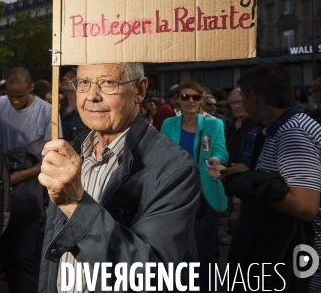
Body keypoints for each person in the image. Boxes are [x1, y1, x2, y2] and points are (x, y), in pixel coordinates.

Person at [38, 63, 200, 293]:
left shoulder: (174, 169)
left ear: (140, 90)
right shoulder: (71, 154)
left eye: (108, 83)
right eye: (84, 83)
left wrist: (75, 203)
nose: (92, 96)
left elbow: (150, 277)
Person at [208, 64, 321, 292]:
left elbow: (305, 206)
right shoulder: (279, 129)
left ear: (253, 98)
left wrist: (249, 179)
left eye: (243, 99)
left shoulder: (293, 133)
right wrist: (245, 175)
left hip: (298, 268)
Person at [0, 67, 56, 293]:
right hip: (2, 189)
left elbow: (52, 157)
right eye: (10, 96)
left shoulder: (47, 112)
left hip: (30, 190)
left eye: (20, 96)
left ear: (31, 88)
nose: (14, 101)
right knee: (7, 256)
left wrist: (19, 176)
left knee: (23, 256)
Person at [161, 81, 228, 291]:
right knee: (176, 248)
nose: (190, 101)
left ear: (201, 101)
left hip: (204, 193)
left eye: (195, 98)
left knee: (203, 250)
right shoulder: (168, 124)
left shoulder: (213, 125)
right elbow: (161, 154)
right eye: (185, 97)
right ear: (177, 100)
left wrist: (215, 161)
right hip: (175, 194)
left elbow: (221, 152)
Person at [220, 88, 259, 246]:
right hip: (229, 176)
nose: (237, 106)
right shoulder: (229, 124)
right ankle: (232, 233)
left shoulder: (256, 125)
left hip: (249, 177)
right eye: (234, 103)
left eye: (240, 102)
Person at [59, 67, 88, 144]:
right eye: (64, 76)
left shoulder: (87, 111)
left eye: (71, 76)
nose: (64, 78)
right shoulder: (58, 110)